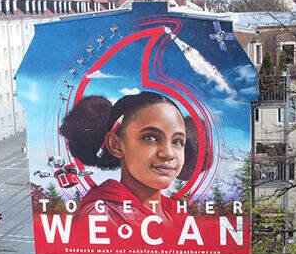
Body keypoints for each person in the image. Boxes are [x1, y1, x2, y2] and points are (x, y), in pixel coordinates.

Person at [58, 92, 199, 231]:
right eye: (150, 138)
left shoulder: (177, 214)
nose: (168, 153)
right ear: (116, 145)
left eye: (178, 142)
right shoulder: (101, 217)